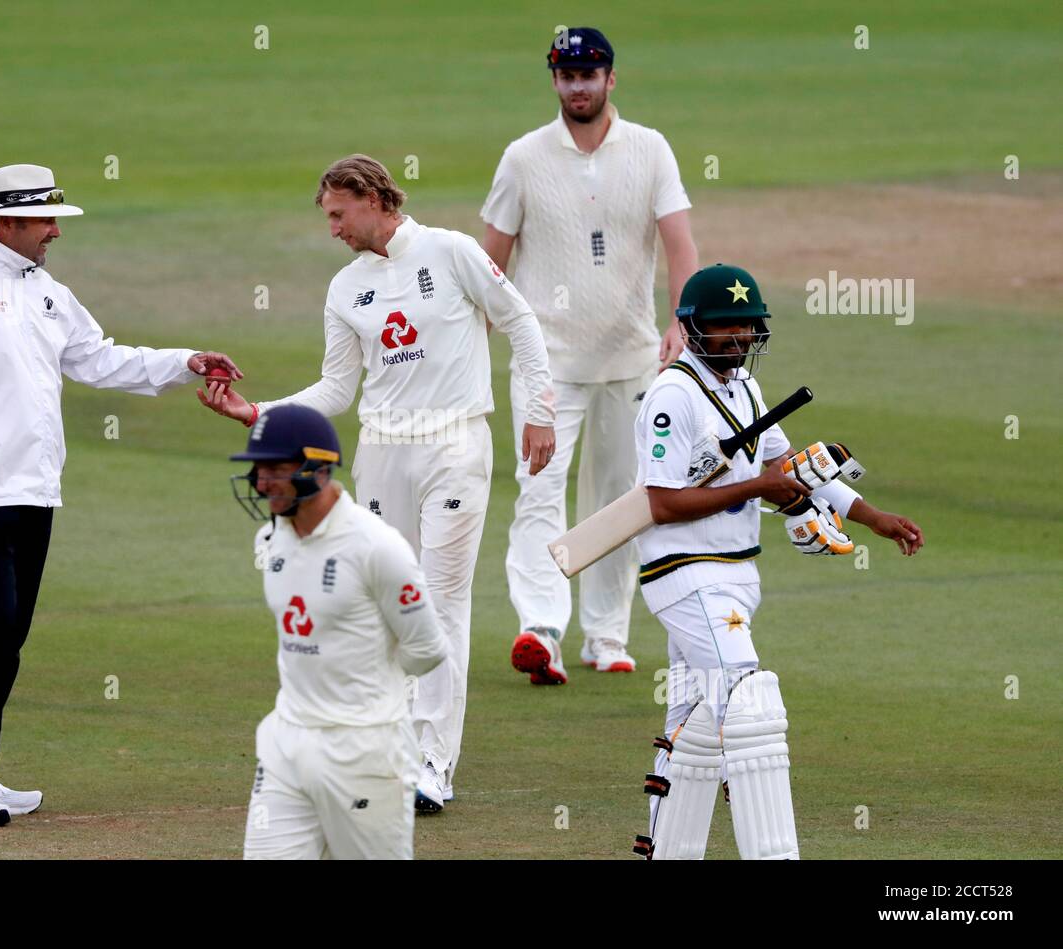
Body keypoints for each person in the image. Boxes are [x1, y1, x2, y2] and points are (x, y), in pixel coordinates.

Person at [199, 155, 556, 812]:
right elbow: (338, 387)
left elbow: (522, 322)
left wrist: (539, 410)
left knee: (442, 598)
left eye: (338, 213)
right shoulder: (346, 288)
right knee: (394, 603)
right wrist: (257, 413)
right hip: (383, 449)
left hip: (455, 442)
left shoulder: (451, 253)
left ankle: (433, 764)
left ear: (369, 197)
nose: (332, 228)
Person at [0, 163, 241, 827]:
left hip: (35, 488)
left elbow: (99, 356)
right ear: (6, 222)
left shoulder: (46, 291)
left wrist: (184, 363)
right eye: (44, 220)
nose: (56, 231)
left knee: (9, 635)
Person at [628, 264, 924, 859]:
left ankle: (668, 852)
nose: (738, 338)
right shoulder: (672, 396)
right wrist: (755, 489)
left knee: (695, 725)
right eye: (725, 327)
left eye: (747, 327)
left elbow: (788, 467)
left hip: (735, 572)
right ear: (691, 328)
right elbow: (661, 503)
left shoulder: (746, 389)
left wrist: (871, 517)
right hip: (687, 574)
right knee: (748, 705)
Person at [480, 27, 700, 685]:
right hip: (546, 361)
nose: (578, 85)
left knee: (620, 499)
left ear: (611, 79)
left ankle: (605, 634)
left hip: (632, 358)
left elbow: (681, 243)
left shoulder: (651, 150)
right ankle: (541, 628)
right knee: (539, 491)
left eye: (590, 73)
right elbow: (490, 260)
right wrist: (477, 335)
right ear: (554, 81)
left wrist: (680, 321)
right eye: (567, 75)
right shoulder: (523, 158)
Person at [232, 405, 447, 859]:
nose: (262, 481)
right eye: (258, 468)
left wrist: (366, 679)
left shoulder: (378, 548)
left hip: (366, 753)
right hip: (285, 745)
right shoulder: (272, 537)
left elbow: (427, 649)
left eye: (276, 468)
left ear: (319, 467)